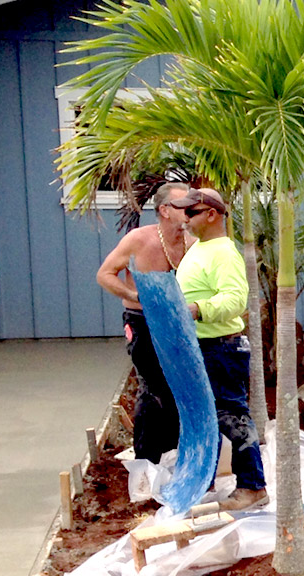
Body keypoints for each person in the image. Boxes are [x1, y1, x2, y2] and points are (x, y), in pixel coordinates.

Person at [168, 188, 269, 512]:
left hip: (221, 349)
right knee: (203, 417)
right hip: (202, 347)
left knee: (231, 416)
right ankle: (202, 480)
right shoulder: (200, 248)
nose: (184, 218)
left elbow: (236, 300)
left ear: (211, 214)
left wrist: (198, 309)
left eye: (190, 212)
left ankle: (253, 486)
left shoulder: (223, 253)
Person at [95, 181, 190, 465]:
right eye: (182, 206)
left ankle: (174, 455)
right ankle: (147, 460)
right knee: (153, 387)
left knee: (178, 386)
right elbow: (105, 274)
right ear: (164, 210)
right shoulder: (139, 239)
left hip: (179, 321)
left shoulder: (193, 242)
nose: (189, 211)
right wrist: (134, 295)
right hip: (142, 320)